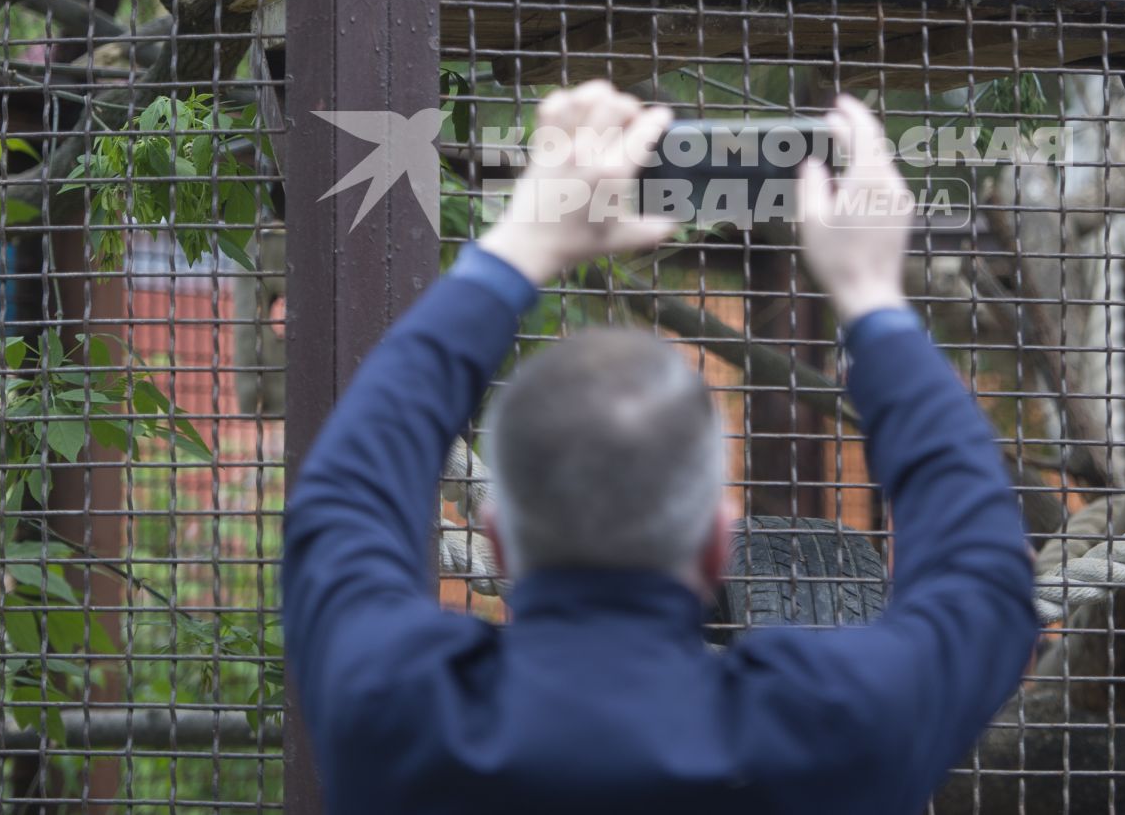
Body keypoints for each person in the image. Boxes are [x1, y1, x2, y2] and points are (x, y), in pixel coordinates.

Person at [281, 81, 1038, 813]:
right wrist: (873, 296)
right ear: (719, 542)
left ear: (497, 541)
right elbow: (989, 574)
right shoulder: (833, 730)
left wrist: (521, 242)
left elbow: (345, 489)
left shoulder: (402, 713)